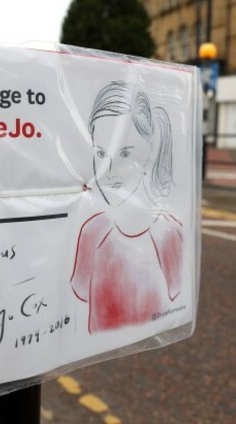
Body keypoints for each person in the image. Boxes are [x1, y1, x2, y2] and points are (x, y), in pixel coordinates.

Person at [71, 81, 184, 334]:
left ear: (148, 153)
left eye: (124, 154)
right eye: (101, 154)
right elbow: (79, 295)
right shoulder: (92, 232)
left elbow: (178, 297)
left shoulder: (168, 234)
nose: (108, 172)